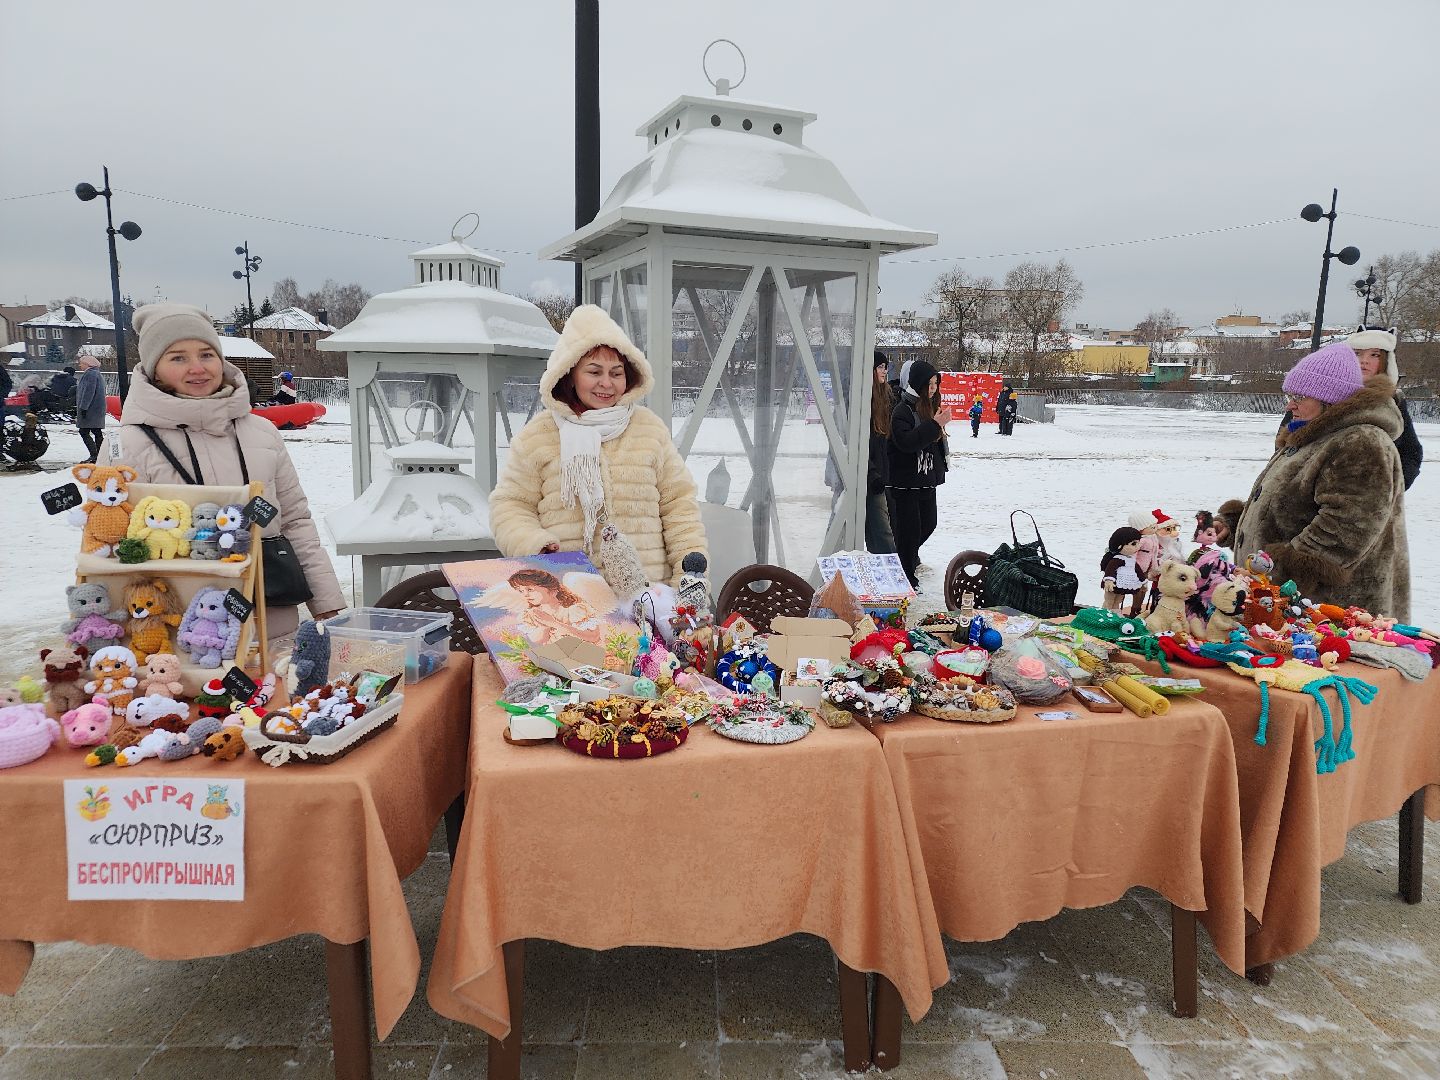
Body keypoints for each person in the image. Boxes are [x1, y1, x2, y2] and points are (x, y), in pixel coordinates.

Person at [116, 303, 345, 639]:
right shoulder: (131, 442)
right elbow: (122, 539)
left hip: (272, 619)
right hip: (188, 625)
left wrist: (326, 600)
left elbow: (295, 521)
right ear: (154, 369)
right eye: (178, 357)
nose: (197, 368)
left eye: (207, 354)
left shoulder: (262, 433)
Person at [489, 305, 707, 590]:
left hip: (648, 598)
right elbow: (510, 505)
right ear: (569, 374)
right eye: (594, 371)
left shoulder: (649, 429)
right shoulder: (539, 436)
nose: (606, 383)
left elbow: (679, 506)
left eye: (616, 373)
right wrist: (535, 545)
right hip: (570, 596)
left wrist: (689, 581)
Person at [1231, 341, 1409, 619]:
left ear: (1329, 400)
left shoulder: (1360, 442)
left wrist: (1281, 569)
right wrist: (1235, 527)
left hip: (1329, 611)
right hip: (1284, 602)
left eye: (1300, 396)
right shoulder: (1311, 437)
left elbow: (1346, 528)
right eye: (1290, 395)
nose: (1290, 405)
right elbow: (1284, 505)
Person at [887, 359, 951, 590]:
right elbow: (906, 442)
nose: (933, 388)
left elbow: (931, 444)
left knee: (929, 524)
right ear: (917, 383)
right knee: (909, 532)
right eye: (929, 383)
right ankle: (904, 573)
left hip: (925, 481)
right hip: (906, 482)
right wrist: (935, 425)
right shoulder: (902, 409)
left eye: (935, 383)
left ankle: (905, 561)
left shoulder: (929, 407)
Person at [1347, 326, 1422, 489]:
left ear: (1387, 361)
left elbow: (1411, 453)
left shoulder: (1395, 401)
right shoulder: (1325, 391)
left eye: (1374, 355)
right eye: (1358, 353)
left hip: (1373, 507)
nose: (1364, 360)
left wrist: (1388, 488)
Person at [507, 567, 606, 645]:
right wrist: (544, 625)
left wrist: (554, 623)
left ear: (552, 590)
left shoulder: (575, 610)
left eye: (530, 589)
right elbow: (537, 640)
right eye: (521, 591)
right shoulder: (531, 614)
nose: (525, 594)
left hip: (584, 656)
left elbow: (594, 637)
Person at [865, 352, 897, 554]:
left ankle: (882, 576)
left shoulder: (886, 398)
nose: (884, 371)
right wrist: (872, 473)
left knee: (880, 530)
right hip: (868, 477)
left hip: (879, 478)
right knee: (882, 532)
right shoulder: (861, 400)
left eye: (886, 366)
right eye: (880, 367)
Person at [74, 354, 107, 463]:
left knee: (84, 432)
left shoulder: (90, 375)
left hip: (90, 410)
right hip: (96, 410)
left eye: (81, 363)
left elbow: (88, 392)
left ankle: (95, 455)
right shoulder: (96, 374)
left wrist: (83, 408)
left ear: (87, 364)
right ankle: (102, 455)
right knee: (97, 432)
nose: (79, 365)